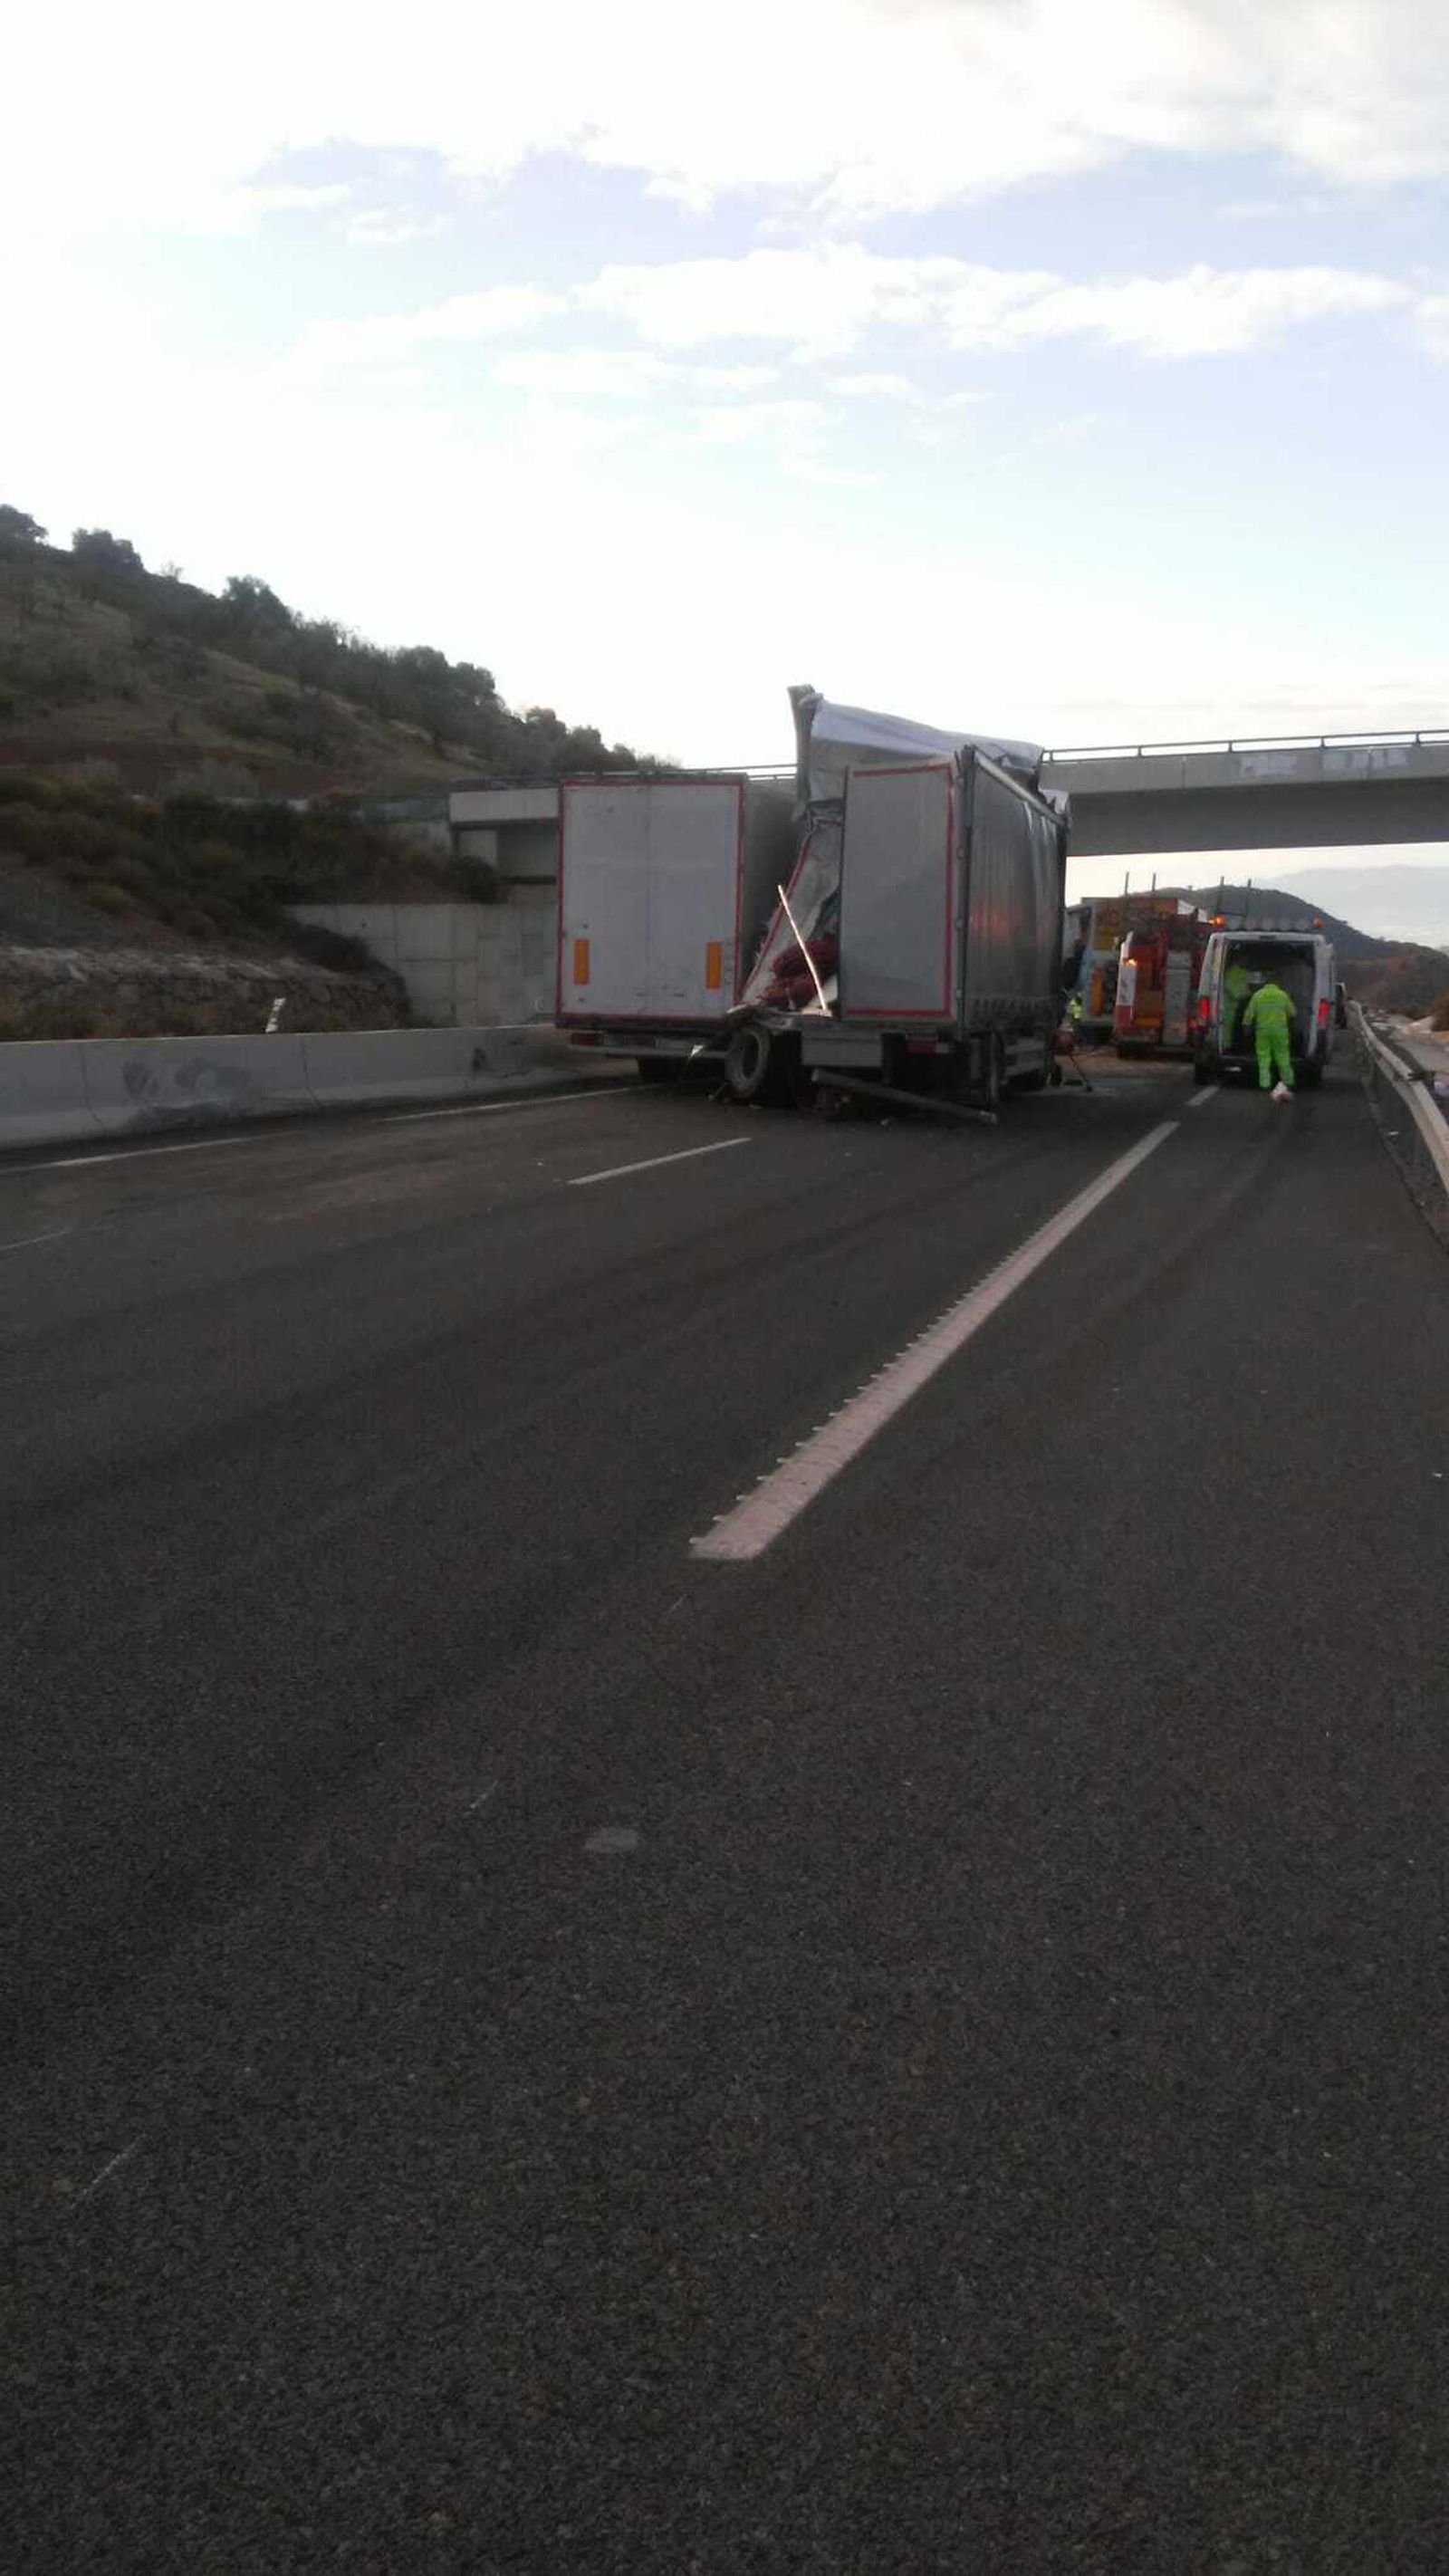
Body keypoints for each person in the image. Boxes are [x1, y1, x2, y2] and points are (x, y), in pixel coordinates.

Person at [1243, 972, 1296, 1100]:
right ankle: (1288, 1081)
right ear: (1277, 983)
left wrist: (1246, 1026)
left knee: (1264, 1057)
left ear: (1265, 982)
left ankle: (1265, 1084)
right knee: (1283, 1056)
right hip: (1280, 1031)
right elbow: (1292, 1013)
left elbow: (1249, 1014)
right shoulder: (1283, 995)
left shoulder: (1258, 995)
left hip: (1262, 1031)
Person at [1221, 952, 1253, 1053]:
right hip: (1230, 1007)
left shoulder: (1244, 972)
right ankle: (1226, 1049)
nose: (1247, 962)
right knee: (1228, 1031)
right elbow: (1232, 990)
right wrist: (1246, 995)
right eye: (1246, 959)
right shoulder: (1232, 972)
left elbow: (1247, 987)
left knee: (1236, 1030)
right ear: (1239, 959)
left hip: (1240, 1007)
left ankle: (1235, 1047)